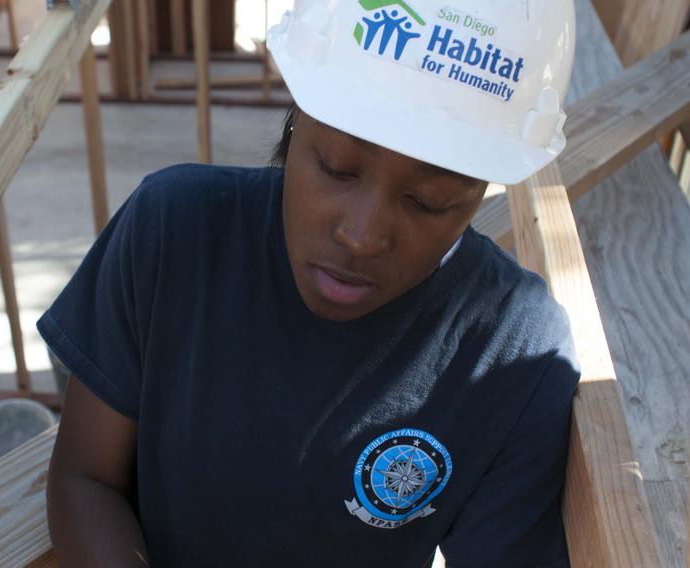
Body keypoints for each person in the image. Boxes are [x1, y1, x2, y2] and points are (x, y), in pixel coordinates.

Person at [38, 0, 578, 566]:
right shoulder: (175, 232)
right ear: (295, 121)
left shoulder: (514, 353)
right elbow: (86, 477)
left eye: (429, 201)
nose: (362, 235)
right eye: (337, 168)